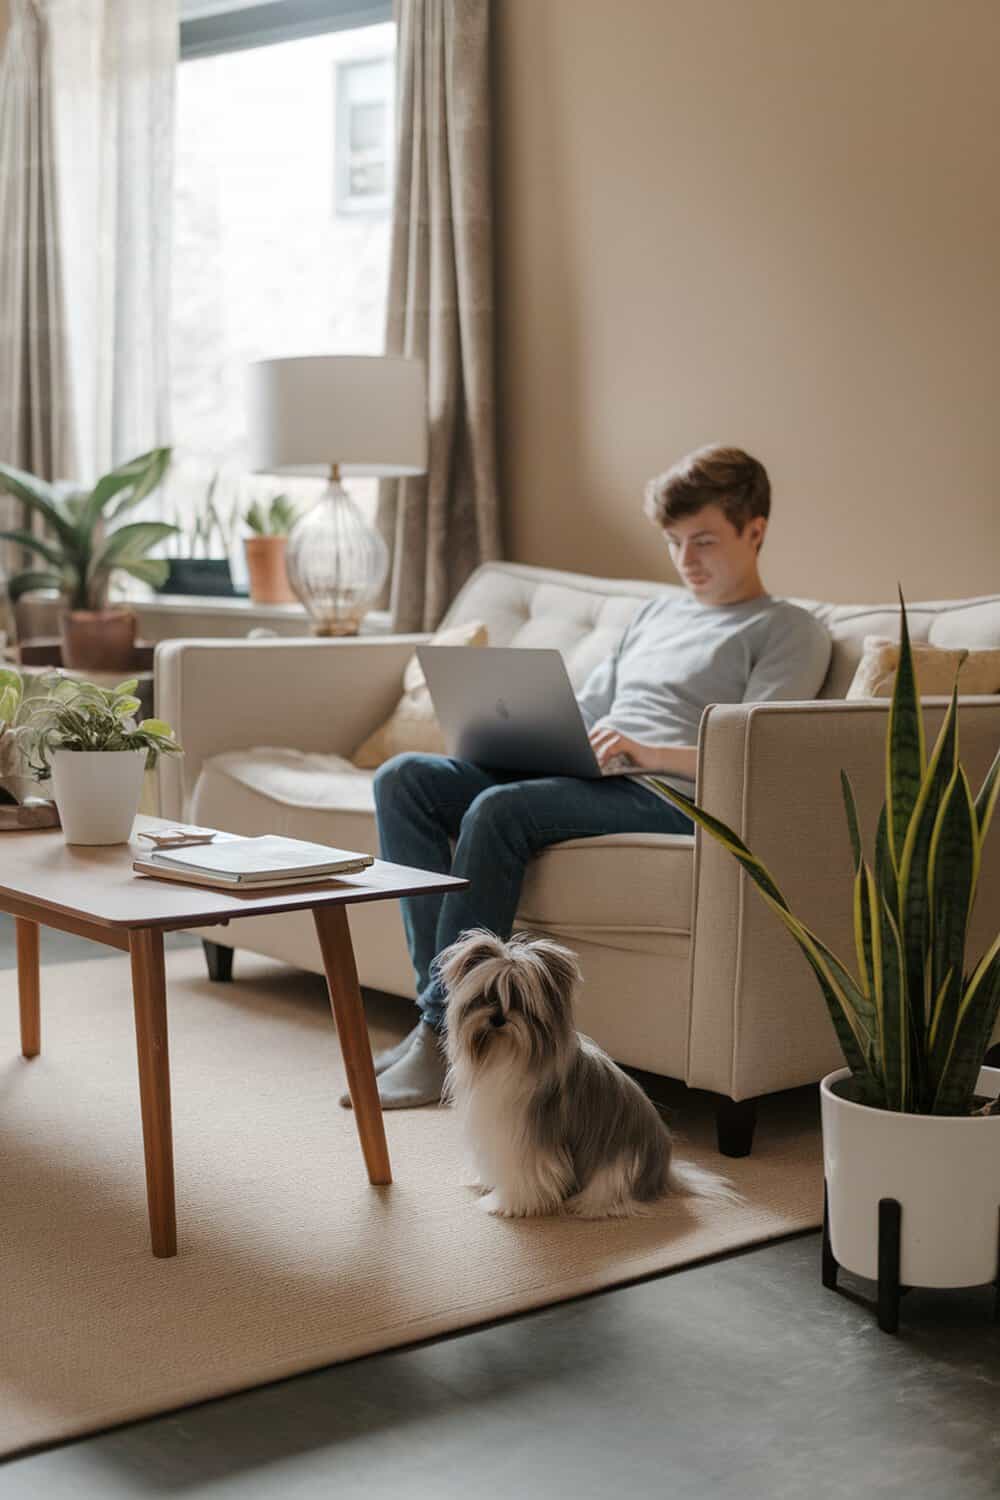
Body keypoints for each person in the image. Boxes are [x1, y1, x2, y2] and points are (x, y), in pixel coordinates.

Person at [341, 445, 832, 1110]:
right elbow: (591, 710)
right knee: (406, 779)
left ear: (756, 529)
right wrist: (531, 734)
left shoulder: (788, 629)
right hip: (601, 771)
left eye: (705, 541)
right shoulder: (656, 615)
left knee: (499, 810)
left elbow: (762, 753)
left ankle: (438, 1033)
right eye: (675, 542)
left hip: (676, 795)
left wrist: (648, 753)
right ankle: (444, 1017)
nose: (687, 560)